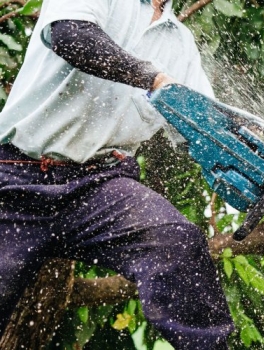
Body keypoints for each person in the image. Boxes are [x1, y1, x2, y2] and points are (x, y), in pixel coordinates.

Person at [0, 0, 235, 348]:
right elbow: (71, 36)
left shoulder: (180, 43)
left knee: (177, 242)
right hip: (16, 177)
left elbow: (203, 126)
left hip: (100, 184)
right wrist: (153, 78)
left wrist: (254, 141)